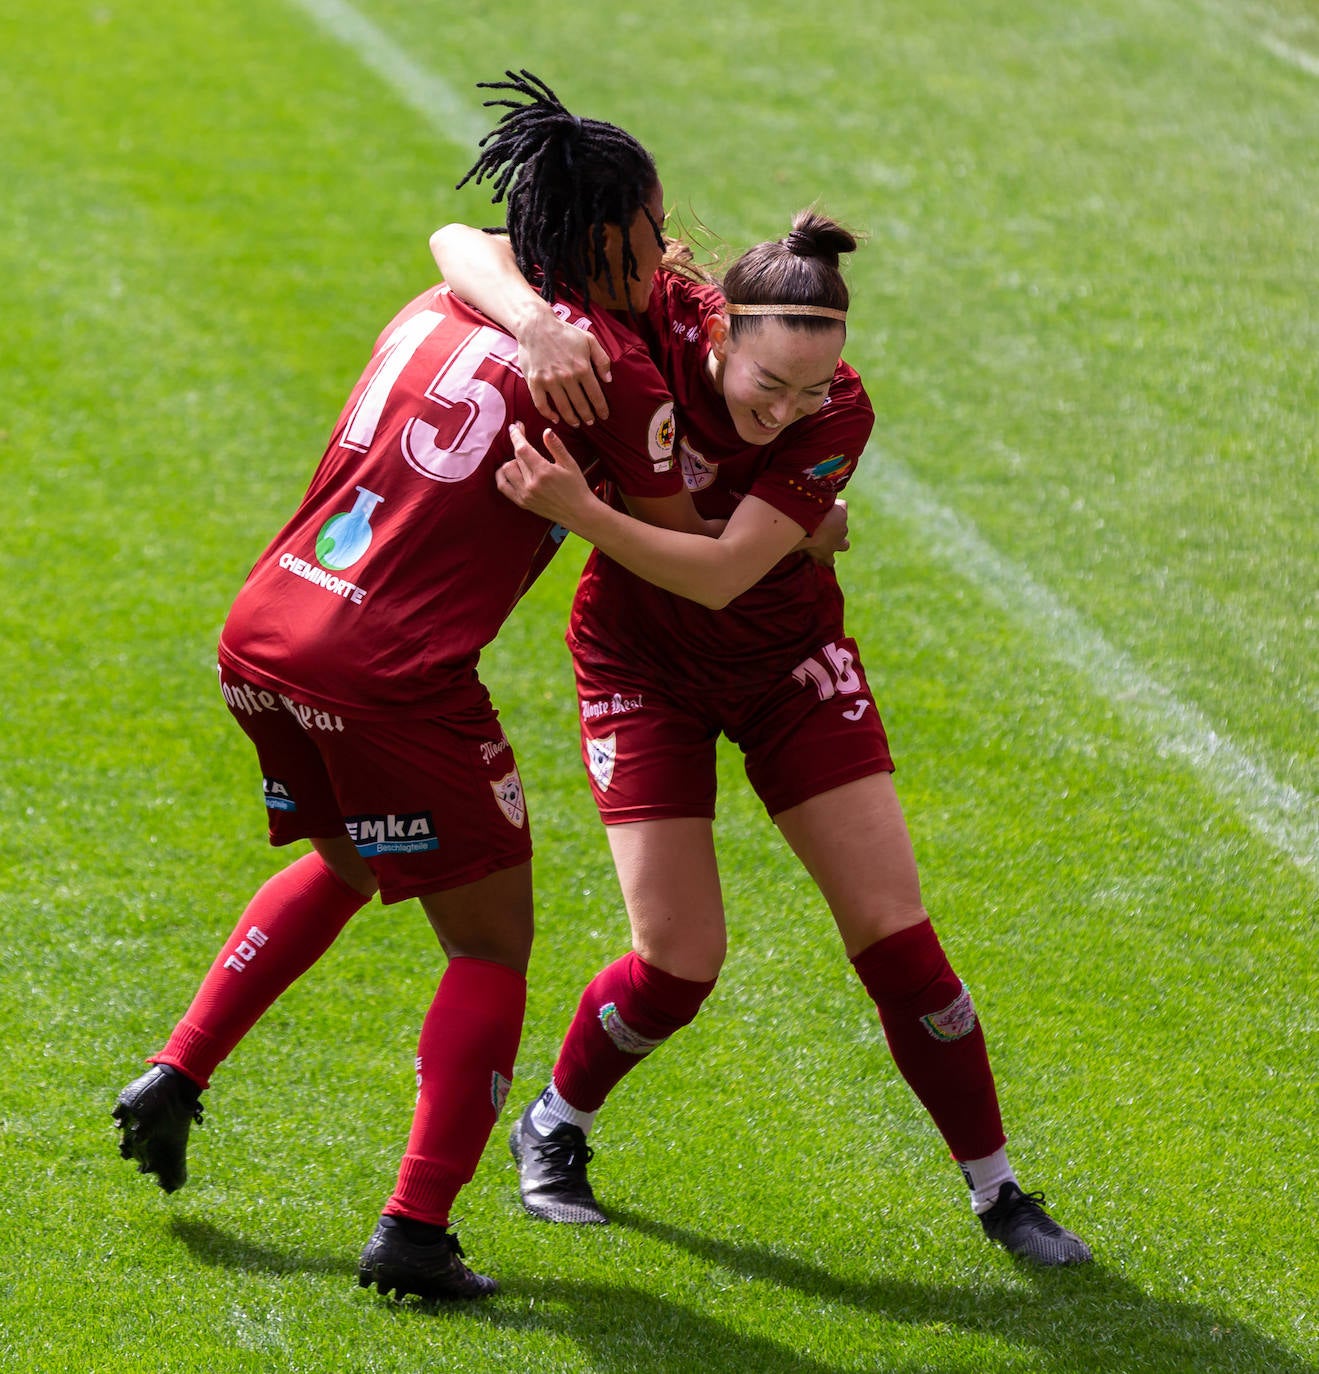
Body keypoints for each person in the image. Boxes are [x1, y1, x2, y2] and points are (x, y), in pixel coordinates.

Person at [111, 69, 716, 1303]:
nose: (666, 247)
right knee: (490, 945)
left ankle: (176, 1071)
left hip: (267, 629)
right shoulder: (609, 372)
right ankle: (415, 1231)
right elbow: (688, 546)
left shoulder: (448, 292)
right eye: (655, 228)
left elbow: (461, 241)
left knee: (351, 855)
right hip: (391, 674)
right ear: (605, 240)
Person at [429, 209, 1094, 1266]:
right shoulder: (652, 325)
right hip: (638, 670)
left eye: (811, 391)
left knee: (895, 934)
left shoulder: (839, 415)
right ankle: (554, 1123)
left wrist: (576, 507)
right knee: (679, 963)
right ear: (715, 337)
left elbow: (722, 574)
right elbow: (459, 239)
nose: (788, 413)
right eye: (766, 386)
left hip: (785, 662)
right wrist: (531, 323)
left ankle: (998, 1193)